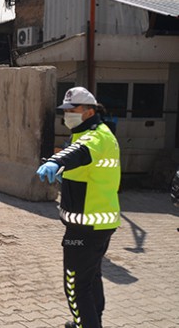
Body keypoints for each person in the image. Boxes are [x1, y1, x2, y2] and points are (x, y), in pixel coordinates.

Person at [36, 87, 120, 328]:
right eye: (66, 110)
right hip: (98, 224)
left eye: (73, 110)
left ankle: (84, 323)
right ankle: (93, 322)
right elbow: (81, 160)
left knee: (75, 285)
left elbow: (77, 152)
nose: (68, 114)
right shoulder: (89, 135)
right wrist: (64, 172)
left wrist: (56, 161)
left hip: (85, 229)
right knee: (91, 277)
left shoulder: (96, 136)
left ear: (89, 111)